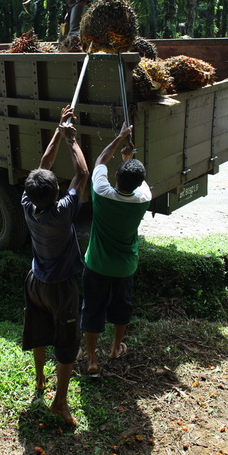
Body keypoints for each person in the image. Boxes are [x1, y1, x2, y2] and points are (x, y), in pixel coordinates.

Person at [21, 105, 89, 425]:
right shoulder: (62, 212)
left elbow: (43, 167)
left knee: (38, 329)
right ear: (56, 192)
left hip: (34, 281)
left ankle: (39, 381)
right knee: (66, 342)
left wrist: (58, 131)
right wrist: (72, 139)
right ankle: (59, 403)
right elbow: (82, 174)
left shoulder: (27, 202)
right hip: (60, 288)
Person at [81, 123, 152, 376]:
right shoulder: (144, 198)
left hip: (97, 265)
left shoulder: (101, 193)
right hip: (125, 267)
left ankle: (91, 359)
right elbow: (138, 179)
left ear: (115, 177)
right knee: (122, 308)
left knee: (92, 308)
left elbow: (101, 159)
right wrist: (130, 159)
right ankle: (114, 348)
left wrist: (120, 137)